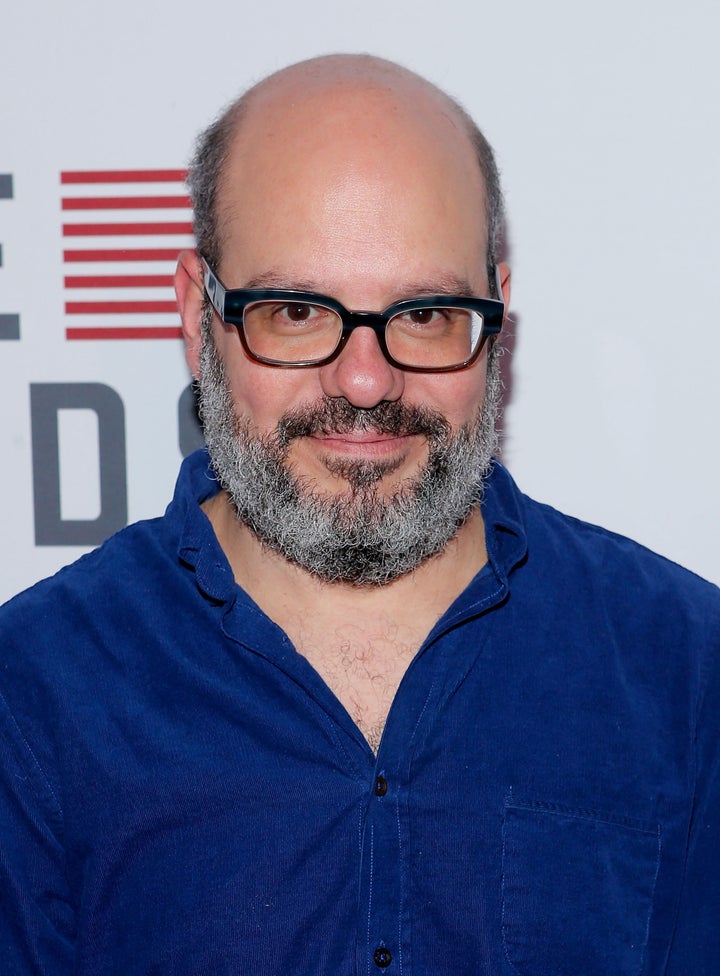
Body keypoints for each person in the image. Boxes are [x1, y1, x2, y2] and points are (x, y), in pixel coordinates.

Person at [0, 54, 718, 976]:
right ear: (195, 314)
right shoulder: (34, 696)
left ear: (497, 310)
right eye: (297, 310)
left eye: (423, 312)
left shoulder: (686, 674)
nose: (367, 381)